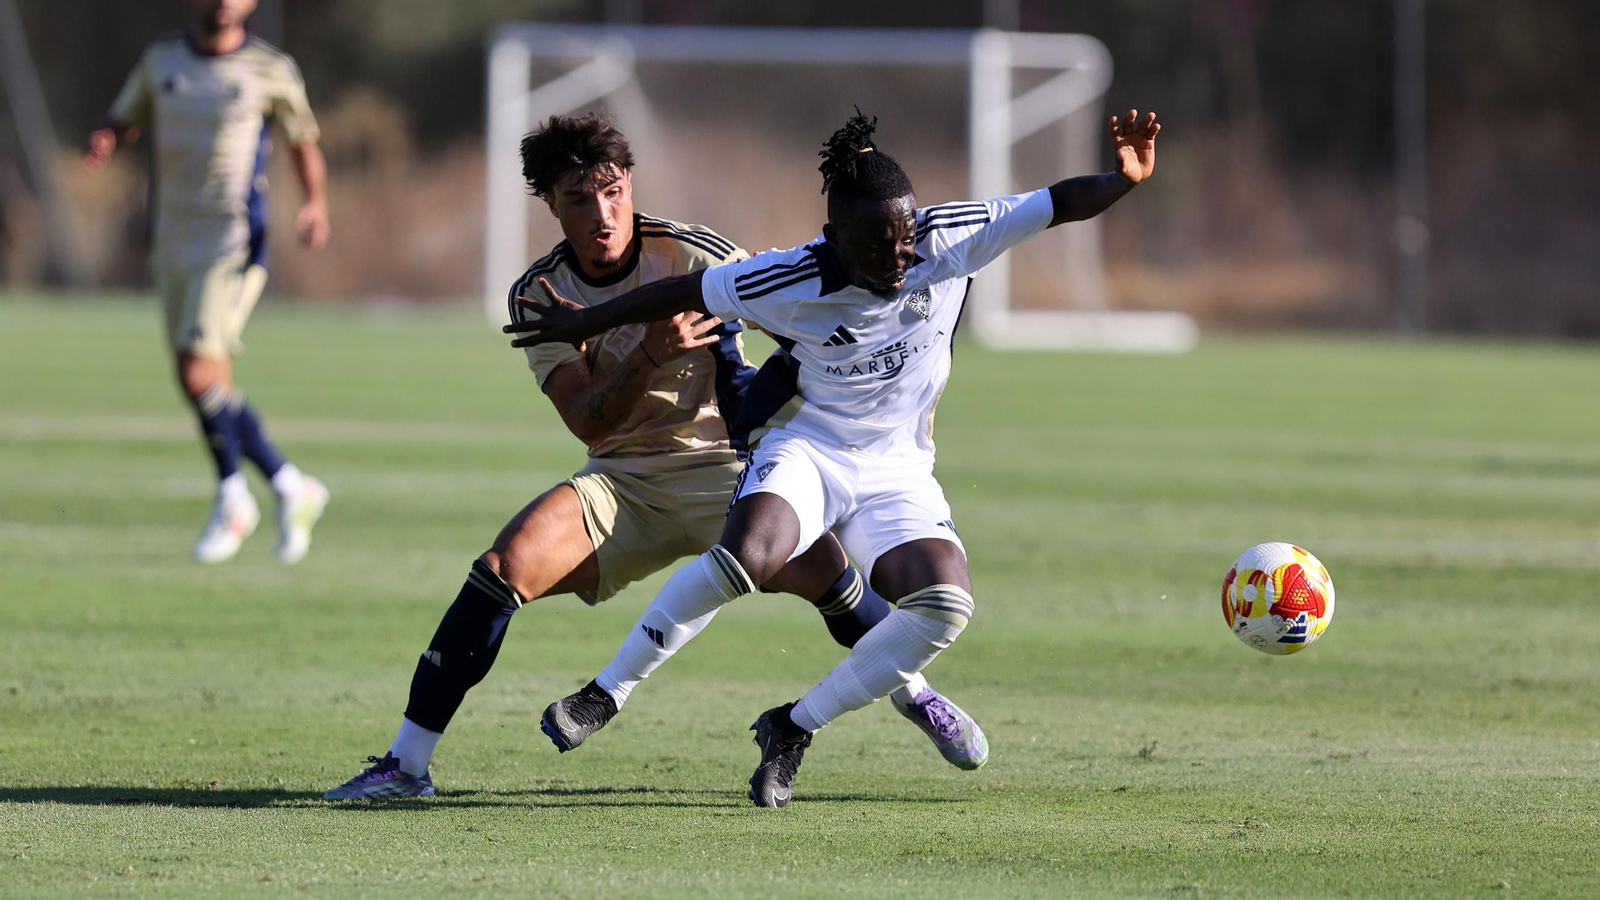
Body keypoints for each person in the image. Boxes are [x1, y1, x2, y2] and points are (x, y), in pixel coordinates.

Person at [508, 107, 1160, 807]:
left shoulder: (953, 237)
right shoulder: (789, 278)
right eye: (875, 246)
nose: (897, 258)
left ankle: (792, 726)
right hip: (809, 449)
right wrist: (582, 321)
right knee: (745, 559)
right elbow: (679, 290)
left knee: (945, 607)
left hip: (898, 468)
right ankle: (608, 692)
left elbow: (1060, 203)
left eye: (904, 237)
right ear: (832, 240)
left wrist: (1123, 180)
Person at [323, 114, 986, 801]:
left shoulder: (696, 254)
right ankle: (405, 766)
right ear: (549, 204)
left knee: (838, 583)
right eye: (578, 200)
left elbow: (807, 322)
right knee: (499, 571)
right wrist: (647, 354)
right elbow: (587, 422)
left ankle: (916, 693)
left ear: (629, 183)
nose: (602, 214)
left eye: (612, 192)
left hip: (731, 472)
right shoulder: (541, 295)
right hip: (625, 484)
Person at [84, 0, 331, 564]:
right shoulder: (161, 60)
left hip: (233, 239)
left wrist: (315, 203)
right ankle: (291, 486)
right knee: (201, 376)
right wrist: (107, 136)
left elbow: (302, 140)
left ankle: (233, 497)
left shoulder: (270, 68)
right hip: (172, 237)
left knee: (199, 372)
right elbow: (125, 116)